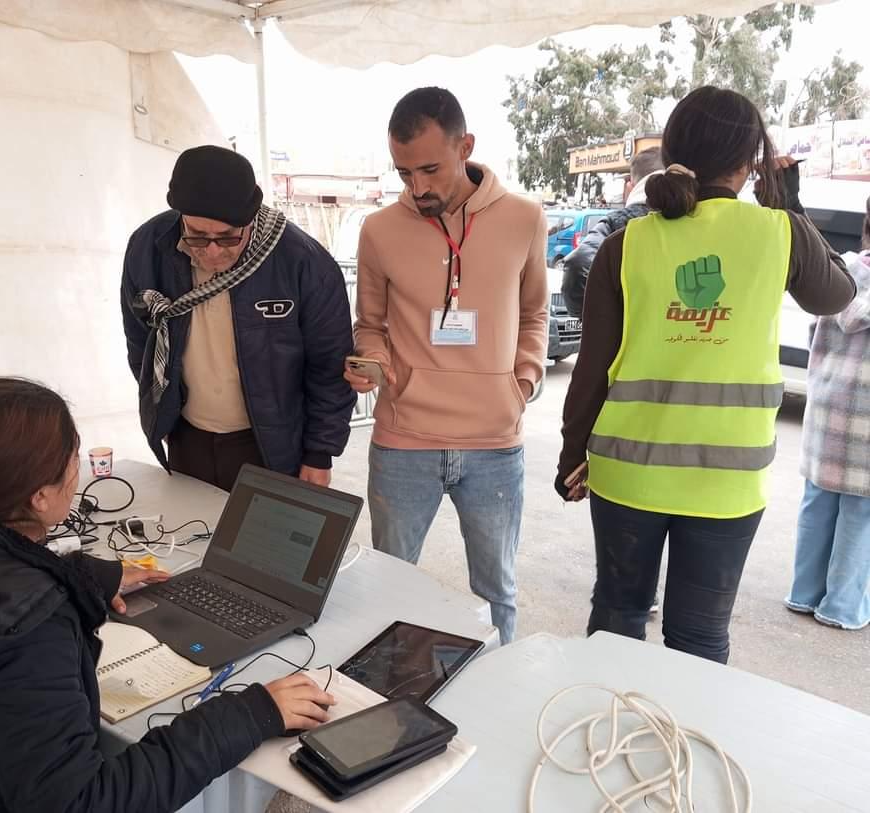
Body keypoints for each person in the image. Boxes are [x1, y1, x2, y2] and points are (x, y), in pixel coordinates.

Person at [0, 378, 334, 812]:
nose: (77, 469)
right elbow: (82, 801)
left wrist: (86, 579)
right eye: (72, 457)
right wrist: (249, 715)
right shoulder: (27, 633)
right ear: (42, 496)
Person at [556, 86, 856, 664]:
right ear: (750, 160)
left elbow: (592, 367)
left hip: (627, 475)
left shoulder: (627, 244)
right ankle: (681, 752)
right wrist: (789, 206)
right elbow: (836, 295)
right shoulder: (779, 233)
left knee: (617, 618)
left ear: (672, 148)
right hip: (726, 484)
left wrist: (572, 454)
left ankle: (606, 740)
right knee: (698, 640)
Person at [347, 87, 549, 645]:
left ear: (466, 147)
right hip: (403, 440)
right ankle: (387, 702)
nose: (418, 187)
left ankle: (497, 688)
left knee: (496, 593)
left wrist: (523, 382)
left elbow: (535, 313)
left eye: (430, 169)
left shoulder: (525, 219)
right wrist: (374, 364)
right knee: (390, 586)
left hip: (494, 441)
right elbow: (371, 323)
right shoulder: (379, 230)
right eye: (404, 173)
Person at [122, 145, 356, 491]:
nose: (213, 250)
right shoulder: (149, 246)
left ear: (251, 218)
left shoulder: (302, 263)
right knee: (192, 539)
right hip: (188, 437)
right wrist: (163, 413)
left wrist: (319, 453)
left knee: (267, 543)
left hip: (273, 444)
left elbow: (329, 367)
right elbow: (140, 340)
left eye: (228, 237)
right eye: (198, 236)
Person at [786, 198, 870, 631]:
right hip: (866, 423)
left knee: (817, 503)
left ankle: (803, 593)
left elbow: (813, 329)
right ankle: (840, 607)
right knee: (860, 515)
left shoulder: (841, 272)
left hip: (827, 408)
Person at [561, 147, 665, 319]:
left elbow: (578, 265)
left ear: (630, 187)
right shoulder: (694, 222)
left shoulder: (615, 224)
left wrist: (601, 320)